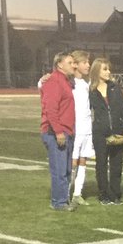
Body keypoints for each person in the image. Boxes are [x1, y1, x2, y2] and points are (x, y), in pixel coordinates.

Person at [89, 57, 123, 205]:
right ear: (96, 71)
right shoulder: (91, 90)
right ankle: (103, 194)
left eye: (109, 69)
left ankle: (115, 193)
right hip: (100, 133)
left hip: (117, 131)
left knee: (116, 164)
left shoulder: (115, 88)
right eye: (105, 69)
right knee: (101, 164)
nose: (109, 72)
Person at [39, 50, 77, 210]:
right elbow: (51, 109)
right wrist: (59, 131)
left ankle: (63, 200)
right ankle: (59, 202)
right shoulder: (54, 81)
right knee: (60, 170)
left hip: (66, 130)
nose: (73, 65)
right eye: (70, 63)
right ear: (60, 64)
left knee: (66, 169)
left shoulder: (64, 81)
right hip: (55, 132)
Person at [69, 49, 94, 206]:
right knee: (72, 162)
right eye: (85, 62)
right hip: (75, 129)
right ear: (76, 64)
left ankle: (78, 193)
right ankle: (66, 192)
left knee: (83, 160)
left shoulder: (85, 84)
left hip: (86, 129)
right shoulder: (69, 83)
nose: (88, 65)